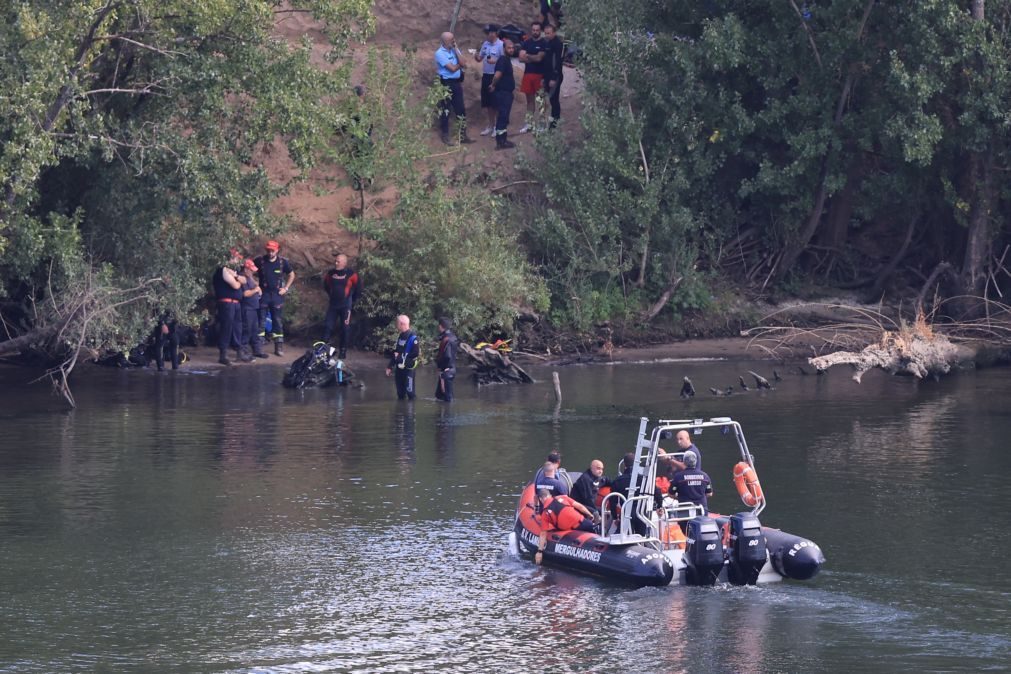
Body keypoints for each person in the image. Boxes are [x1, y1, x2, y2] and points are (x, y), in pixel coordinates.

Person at [254, 240, 295, 357]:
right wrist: (256, 285)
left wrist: (286, 288)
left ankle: (279, 346)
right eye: (268, 250)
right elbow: (248, 271)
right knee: (261, 321)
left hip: (277, 295)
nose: (270, 253)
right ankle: (259, 347)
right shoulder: (260, 261)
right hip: (264, 295)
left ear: (277, 250)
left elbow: (292, 274)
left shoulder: (283, 262)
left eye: (272, 251)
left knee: (277, 320)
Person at [435, 32, 473, 146]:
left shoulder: (454, 50)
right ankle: (445, 135)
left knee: (460, 109)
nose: (453, 41)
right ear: (444, 41)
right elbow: (451, 69)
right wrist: (460, 65)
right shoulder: (439, 53)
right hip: (446, 83)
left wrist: (456, 49)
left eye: (453, 39)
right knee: (446, 110)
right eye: (451, 40)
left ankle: (463, 135)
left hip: (456, 83)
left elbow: (464, 63)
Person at [322, 253, 361, 359]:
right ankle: (323, 349)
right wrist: (331, 295)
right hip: (333, 305)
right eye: (335, 261)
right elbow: (326, 285)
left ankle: (343, 350)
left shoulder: (351, 274)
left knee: (345, 328)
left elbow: (358, 289)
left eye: (338, 261)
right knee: (327, 326)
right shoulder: (331, 273)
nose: (336, 263)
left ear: (344, 262)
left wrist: (352, 301)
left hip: (346, 306)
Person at [212, 249, 245, 365]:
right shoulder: (223, 270)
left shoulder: (234, 270)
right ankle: (223, 354)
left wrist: (236, 276)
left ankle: (239, 352)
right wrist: (238, 278)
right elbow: (236, 285)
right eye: (235, 258)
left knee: (237, 327)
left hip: (235, 303)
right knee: (226, 327)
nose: (237, 260)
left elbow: (244, 279)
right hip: (226, 303)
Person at [487, 39, 517, 150]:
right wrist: (493, 85)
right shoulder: (503, 60)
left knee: (504, 117)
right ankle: (501, 142)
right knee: (503, 117)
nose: (511, 50)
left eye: (512, 47)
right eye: (509, 48)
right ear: (504, 49)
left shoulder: (506, 60)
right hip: (503, 94)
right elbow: (497, 75)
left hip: (506, 93)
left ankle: (503, 139)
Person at [475, 24, 503, 137]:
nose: (489, 35)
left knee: (496, 102)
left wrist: (495, 61)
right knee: (488, 103)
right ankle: (491, 125)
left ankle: (498, 127)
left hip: (496, 76)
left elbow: (504, 61)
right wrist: (476, 56)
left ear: (495, 33)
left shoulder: (501, 45)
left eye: (491, 32)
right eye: (488, 33)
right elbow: (480, 58)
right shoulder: (485, 44)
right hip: (486, 75)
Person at [385, 314, 420, 400]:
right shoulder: (400, 336)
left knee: (410, 393)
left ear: (402, 324)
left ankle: (410, 412)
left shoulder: (413, 337)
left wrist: (401, 356)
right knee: (400, 394)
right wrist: (390, 366)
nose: (396, 325)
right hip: (399, 369)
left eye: (397, 323)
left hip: (408, 369)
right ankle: (400, 412)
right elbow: (396, 353)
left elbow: (415, 353)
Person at [239, 258, 266, 360]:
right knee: (246, 330)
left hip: (254, 307)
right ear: (246, 269)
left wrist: (257, 288)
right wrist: (255, 290)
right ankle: (243, 351)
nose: (253, 272)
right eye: (251, 270)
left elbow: (256, 286)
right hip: (247, 308)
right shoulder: (242, 278)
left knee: (255, 330)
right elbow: (245, 294)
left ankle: (257, 350)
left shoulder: (250, 278)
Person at [542, 24, 564, 129]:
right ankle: (554, 121)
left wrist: (553, 78)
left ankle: (555, 123)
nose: (547, 35)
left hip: (554, 77)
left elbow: (558, 63)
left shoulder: (557, 44)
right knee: (551, 99)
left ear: (554, 33)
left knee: (553, 99)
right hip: (547, 75)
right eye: (545, 33)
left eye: (549, 33)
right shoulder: (548, 43)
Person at [434, 316, 458, 401]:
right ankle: (444, 413)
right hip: (452, 368)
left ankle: (448, 413)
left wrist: (441, 367)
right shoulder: (453, 337)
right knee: (439, 396)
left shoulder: (446, 339)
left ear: (440, 326)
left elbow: (447, 356)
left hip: (446, 371)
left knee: (447, 398)